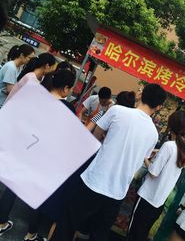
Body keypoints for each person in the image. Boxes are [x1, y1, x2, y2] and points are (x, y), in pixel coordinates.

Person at [50, 83, 166, 241]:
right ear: (158, 106)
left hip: (93, 182)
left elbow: (96, 136)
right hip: (116, 193)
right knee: (99, 234)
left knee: (68, 225)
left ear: (142, 95)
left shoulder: (117, 111)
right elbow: (142, 158)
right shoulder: (153, 134)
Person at [0, 52, 56, 241]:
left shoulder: (29, 78)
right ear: (46, 66)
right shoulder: (32, 81)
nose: (51, 73)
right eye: (52, 68)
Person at [127, 110, 185, 241]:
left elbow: (153, 172)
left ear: (170, 125)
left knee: (134, 231)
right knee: (142, 232)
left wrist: (145, 157)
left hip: (146, 197)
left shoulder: (168, 146)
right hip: (159, 201)